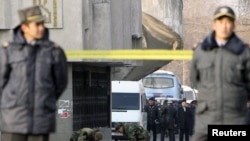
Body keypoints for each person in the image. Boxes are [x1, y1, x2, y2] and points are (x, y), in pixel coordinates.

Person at [0, 5, 68, 141]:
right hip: (14, 120)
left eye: (42, 24)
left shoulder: (54, 51)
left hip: (40, 121)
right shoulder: (9, 51)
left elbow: (60, 83)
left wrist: (44, 99)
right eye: (37, 24)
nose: (41, 28)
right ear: (24, 28)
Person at [190, 5, 250, 141]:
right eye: (221, 22)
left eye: (228, 22)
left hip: (235, 120)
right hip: (206, 121)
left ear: (233, 25)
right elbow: (195, 80)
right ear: (214, 24)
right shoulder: (201, 52)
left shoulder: (244, 53)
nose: (224, 26)